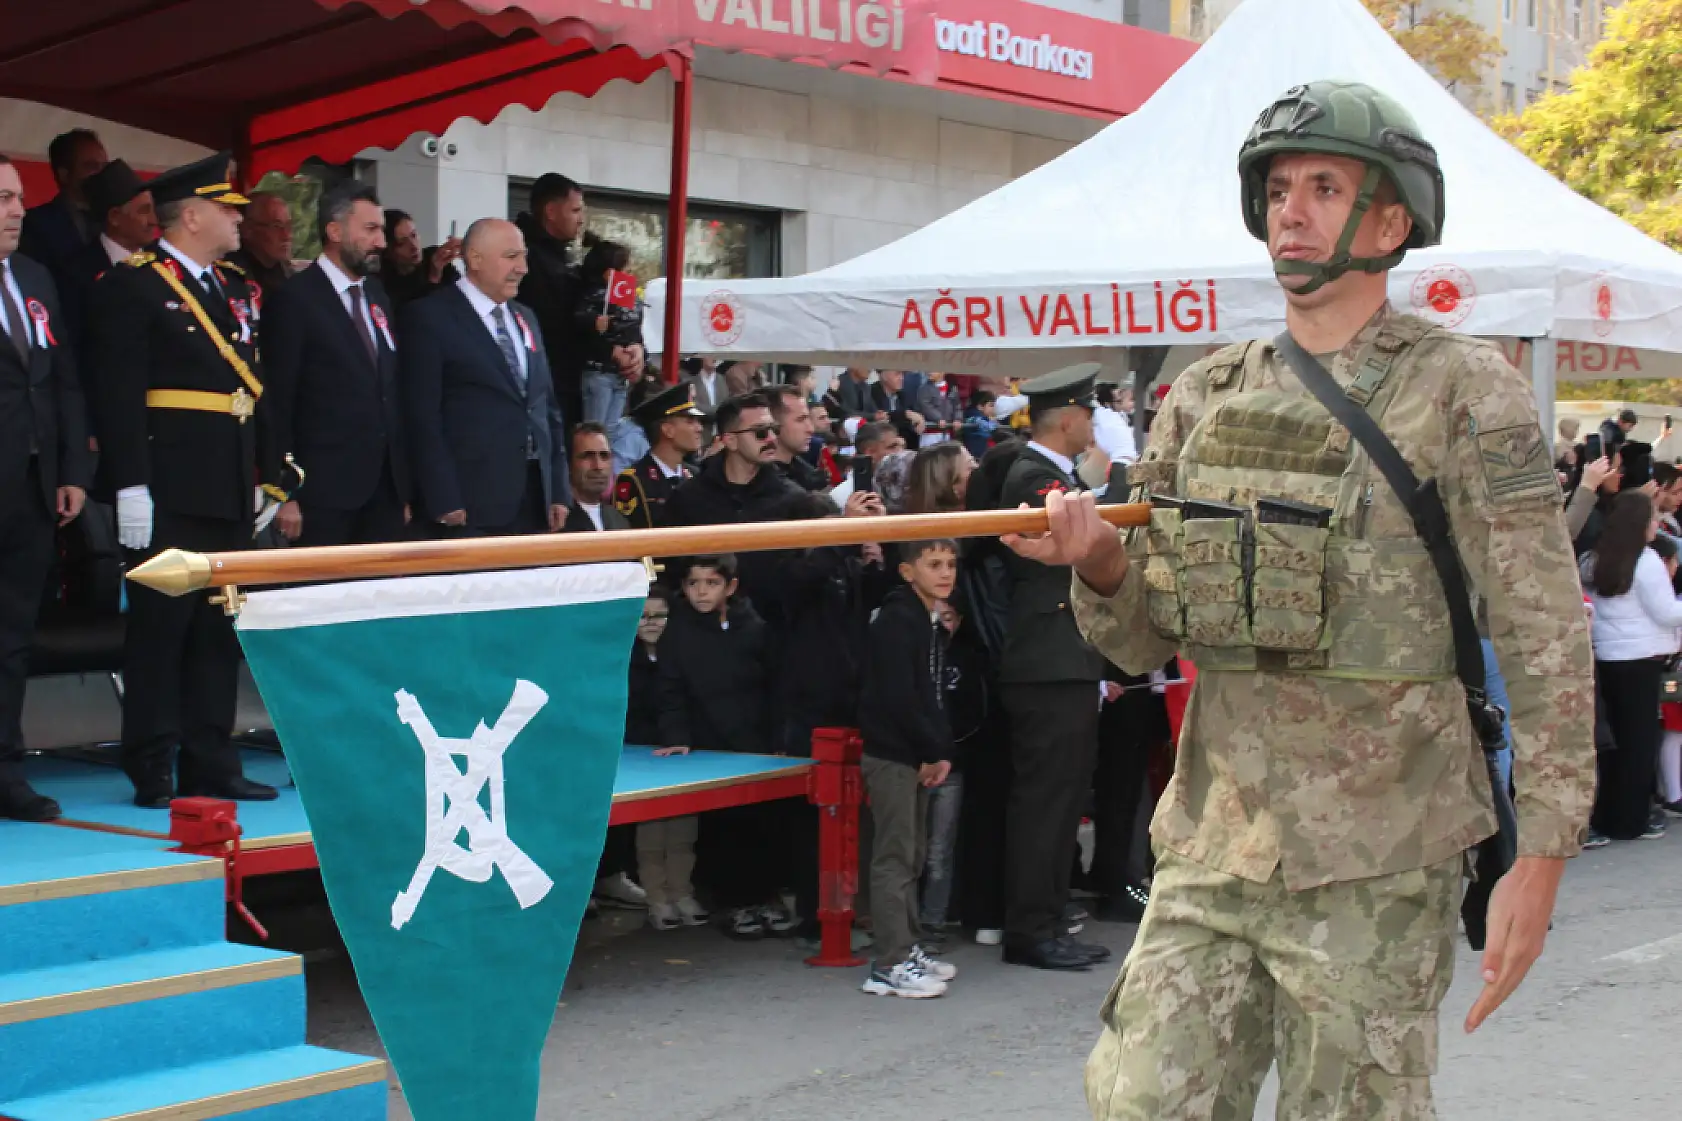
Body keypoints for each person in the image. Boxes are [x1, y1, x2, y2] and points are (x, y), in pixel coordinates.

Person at [1007, 81, 1593, 1118]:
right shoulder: (1205, 395)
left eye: (1324, 187)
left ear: (1391, 221)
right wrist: (1096, 562)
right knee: (1139, 1102)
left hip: (1381, 857)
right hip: (1210, 844)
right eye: (1278, 189)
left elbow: (1542, 627)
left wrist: (1541, 854)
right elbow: (1143, 637)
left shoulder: (1462, 390)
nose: (1292, 211)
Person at [90, 151, 287, 808]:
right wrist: (130, 485)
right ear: (192, 216)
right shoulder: (134, 285)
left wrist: (267, 475)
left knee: (215, 633)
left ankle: (212, 761)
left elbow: (252, 388)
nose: (238, 219)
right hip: (168, 484)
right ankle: (151, 763)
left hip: (226, 482)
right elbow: (119, 395)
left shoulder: (234, 287)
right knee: (159, 632)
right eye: (226, 209)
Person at [993, 363, 1113, 972]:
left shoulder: (1050, 474)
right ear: (1067, 419)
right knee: (1046, 801)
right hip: (1048, 660)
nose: (1093, 427)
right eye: (1088, 415)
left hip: (1062, 657)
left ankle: (1046, 917)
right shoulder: (1033, 476)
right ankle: (1031, 927)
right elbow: (1077, 539)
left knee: (1063, 799)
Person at [0, 154, 91, 822]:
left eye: (16, 197)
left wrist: (70, 471)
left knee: (12, 636)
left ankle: (6, 769)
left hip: (30, 485)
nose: (17, 209)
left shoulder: (33, 277)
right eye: (3, 198)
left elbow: (62, 379)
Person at [400, 217, 570, 537]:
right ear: (475, 259)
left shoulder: (526, 317)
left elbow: (547, 408)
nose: (523, 268)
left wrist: (558, 489)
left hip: (535, 500)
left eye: (524, 257)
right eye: (511, 257)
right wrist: (442, 496)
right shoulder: (429, 318)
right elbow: (421, 418)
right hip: (468, 504)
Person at [263, 183, 410, 547]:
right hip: (322, 494)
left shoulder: (376, 295)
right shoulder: (294, 299)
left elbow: (389, 388)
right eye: (370, 229)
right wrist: (284, 491)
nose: (381, 242)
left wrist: (403, 487)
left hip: (384, 491)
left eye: (381, 230)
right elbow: (278, 400)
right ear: (334, 231)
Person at [655, 554, 791, 939]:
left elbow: (776, 686)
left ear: (730, 587)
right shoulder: (677, 633)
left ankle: (766, 896)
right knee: (722, 829)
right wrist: (676, 737)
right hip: (709, 746)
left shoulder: (756, 628)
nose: (701, 591)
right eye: (693, 583)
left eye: (711, 583)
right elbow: (670, 690)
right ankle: (733, 903)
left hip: (756, 744)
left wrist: (779, 739)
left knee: (763, 823)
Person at [858, 540, 961, 999]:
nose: (945, 573)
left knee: (913, 854)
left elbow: (929, 692)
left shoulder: (923, 617)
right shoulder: (897, 620)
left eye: (951, 564)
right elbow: (899, 697)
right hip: (892, 755)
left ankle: (908, 947)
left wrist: (936, 751)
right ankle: (889, 963)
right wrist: (930, 749)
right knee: (895, 857)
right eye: (933, 564)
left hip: (912, 754)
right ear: (906, 571)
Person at [1581, 490, 1681, 844]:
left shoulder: (1592, 559)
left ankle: (1606, 815)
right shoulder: (1648, 561)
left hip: (1607, 658)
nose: (1656, 524)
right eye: (1652, 518)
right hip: (1642, 660)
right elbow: (1667, 613)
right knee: (1638, 744)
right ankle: (1631, 820)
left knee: (1613, 744)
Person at [626, 584, 710, 931]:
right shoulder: (623, 661)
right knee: (650, 832)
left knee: (683, 829)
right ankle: (657, 899)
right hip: (639, 756)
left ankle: (682, 892)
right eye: (643, 615)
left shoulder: (685, 655)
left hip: (681, 752)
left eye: (660, 615)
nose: (651, 622)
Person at [20, 129, 107, 286]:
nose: (102, 174)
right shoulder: (35, 224)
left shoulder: (115, 218)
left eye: (104, 166)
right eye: (91, 166)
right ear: (64, 174)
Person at [613, 382, 704, 530]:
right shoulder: (634, 481)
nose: (699, 428)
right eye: (690, 421)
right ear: (668, 430)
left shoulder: (695, 476)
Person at [574, 239, 642, 426]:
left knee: (611, 432)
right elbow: (580, 334)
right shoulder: (589, 299)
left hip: (620, 376)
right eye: (625, 270)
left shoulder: (628, 299)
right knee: (595, 430)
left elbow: (633, 328)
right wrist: (611, 350)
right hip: (599, 373)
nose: (629, 275)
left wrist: (637, 350)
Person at [380, 209, 459, 310]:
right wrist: (434, 277)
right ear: (387, 251)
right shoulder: (383, 284)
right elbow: (420, 314)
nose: (414, 246)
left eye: (414, 235)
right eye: (402, 243)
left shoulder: (434, 256)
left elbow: (465, 297)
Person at [561, 423, 628, 532]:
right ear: (569, 464)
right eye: (587, 456)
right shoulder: (559, 520)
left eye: (604, 456)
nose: (598, 466)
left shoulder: (619, 520)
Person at [226, 191, 295, 297]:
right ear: (247, 229)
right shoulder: (230, 276)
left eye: (288, 225)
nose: (287, 236)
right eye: (276, 226)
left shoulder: (288, 273)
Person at [764, 383, 826, 492]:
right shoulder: (762, 486)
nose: (811, 429)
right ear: (773, 424)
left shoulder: (809, 476)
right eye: (800, 420)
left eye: (808, 418)